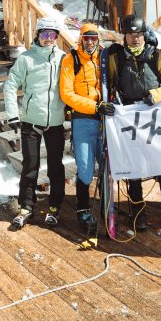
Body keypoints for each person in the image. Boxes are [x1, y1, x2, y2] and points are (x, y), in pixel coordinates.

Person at [102, 14, 161, 232]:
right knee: (134, 166)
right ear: (124, 36)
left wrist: (158, 94)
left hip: (154, 112)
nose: (135, 39)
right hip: (129, 115)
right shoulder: (116, 58)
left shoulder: (156, 56)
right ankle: (138, 212)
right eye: (130, 35)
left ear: (144, 34)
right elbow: (108, 85)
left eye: (138, 34)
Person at [3, 17, 67, 229]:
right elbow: (11, 85)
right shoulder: (26, 59)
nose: (49, 39)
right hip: (31, 121)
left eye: (53, 35)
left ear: (57, 37)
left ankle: (55, 207)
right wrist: (13, 114)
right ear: (37, 35)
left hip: (55, 122)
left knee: (56, 167)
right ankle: (26, 207)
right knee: (30, 166)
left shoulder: (63, 58)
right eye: (45, 34)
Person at [58, 22, 109, 232]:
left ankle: (109, 206)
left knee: (107, 167)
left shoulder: (105, 57)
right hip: (83, 119)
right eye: (86, 38)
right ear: (81, 39)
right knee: (86, 170)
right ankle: (82, 209)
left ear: (98, 39)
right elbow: (66, 94)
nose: (90, 42)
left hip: (106, 120)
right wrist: (95, 106)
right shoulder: (72, 59)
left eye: (93, 38)